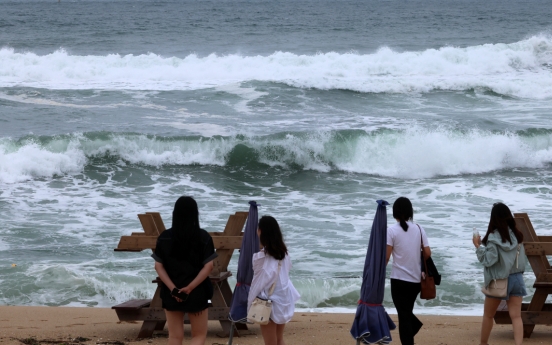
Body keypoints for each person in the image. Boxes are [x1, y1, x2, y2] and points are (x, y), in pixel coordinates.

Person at [152, 196, 217, 345]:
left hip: (171, 293)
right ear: (195, 213)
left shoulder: (164, 237)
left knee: (175, 337)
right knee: (198, 336)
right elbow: (209, 266)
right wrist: (190, 288)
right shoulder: (203, 237)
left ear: (175, 213)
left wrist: (173, 289)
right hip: (197, 292)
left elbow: (158, 266)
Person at [473, 202, 527, 345]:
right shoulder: (517, 235)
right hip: (517, 278)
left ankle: (483, 343)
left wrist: (478, 246)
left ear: (494, 218)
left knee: (489, 315)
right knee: (516, 317)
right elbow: (522, 260)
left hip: (498, 281)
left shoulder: (493, 237)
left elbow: (489, 260)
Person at [248, 216, 300, 345]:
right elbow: (285, 274)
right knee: (279, 339)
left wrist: (249, 302)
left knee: (270, 342)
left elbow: (258, 283)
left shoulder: (260, 257)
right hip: (283, 299)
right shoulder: (284, 253)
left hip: (268, 303)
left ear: (260, 231)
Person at [385, 197, 431, 345]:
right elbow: (428, 253)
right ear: (410, 212)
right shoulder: (418, 228)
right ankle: (414, 327)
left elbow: (386, 257)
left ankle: (412, 332)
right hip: (415, 281)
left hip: (398, 280)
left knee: (404, 316)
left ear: (395, 213)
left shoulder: (391, 231)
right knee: (405, 314)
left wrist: (377, 273)